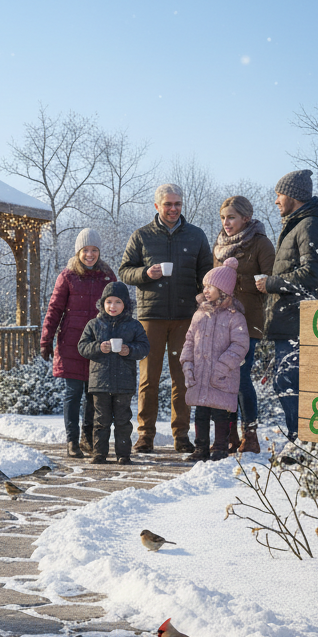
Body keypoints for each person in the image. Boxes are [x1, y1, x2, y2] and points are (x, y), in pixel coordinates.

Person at [119, 183, 214, 454]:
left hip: (185, 318)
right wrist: (145, 274)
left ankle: (181, 435)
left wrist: (204, 299)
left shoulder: (196, 235)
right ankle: (145, 435)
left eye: (177, 204)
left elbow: (206, 273)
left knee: (182, 378)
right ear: (157, 206)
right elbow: (124, 271)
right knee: (148, 379)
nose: (173, 209)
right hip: (151, 317)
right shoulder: (141, 236)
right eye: (168, 204)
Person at [257, 169, 318, 443]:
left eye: (279, 194)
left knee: (290, 383)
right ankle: (301, 440)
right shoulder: (298, 224)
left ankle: (303, 442)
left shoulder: (311, 224)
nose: (276, 200)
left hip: (303, 321)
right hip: (291, 320)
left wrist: (271, 283)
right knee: (289, 382)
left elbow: (312, 275)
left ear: (293, 195)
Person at [40, 228, 117, 458]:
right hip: (71, 343)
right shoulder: (67, 276)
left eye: (94, 250)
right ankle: (72, 440)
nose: (90, 254)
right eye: (85, 250)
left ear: (99, 251)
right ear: (78, 251)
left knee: (93, 395)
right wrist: (46, 339)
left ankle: (87, 438)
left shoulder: (107, 276)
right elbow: (54, 309)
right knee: (73, 394)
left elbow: (118, 307)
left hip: (98, 344)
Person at [213, 196, 275, 453]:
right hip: (221, 321)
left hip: (249, 320)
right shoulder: (219, 245)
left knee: (240, 376)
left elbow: (271, 282)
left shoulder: (260, 243)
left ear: (246, 218)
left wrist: (238, 281)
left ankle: (250, 435)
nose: (226, 223)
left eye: (231, 217)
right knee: (223, 377)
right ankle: (229, 434)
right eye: (223, 218)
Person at [181, 258, 250, 462]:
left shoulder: (235, 317)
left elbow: (240, 345)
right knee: (201, 412)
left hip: (222, 376)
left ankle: (220, 447)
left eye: (210, 286)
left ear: (223, 290)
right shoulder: (199, 314)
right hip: (200, 374)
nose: (206, 290)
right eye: (204, 286)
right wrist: (187, 364)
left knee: (221, 413)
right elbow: (189, 341)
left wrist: (223, 366)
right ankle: (200, 448)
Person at [77, 282, 150, 465]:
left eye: (118, 302)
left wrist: (129, 350)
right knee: (100, 420)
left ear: (126, 304)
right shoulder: (94, 324)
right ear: (103, 303)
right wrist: (98, 347)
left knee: (123, 421)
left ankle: (123, 455)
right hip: (100, 382)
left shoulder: (134, 325)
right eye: (109, 302)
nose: (113, 306)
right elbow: (82, 347)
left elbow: (144, 347)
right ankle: (99, 454)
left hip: (124, 382)